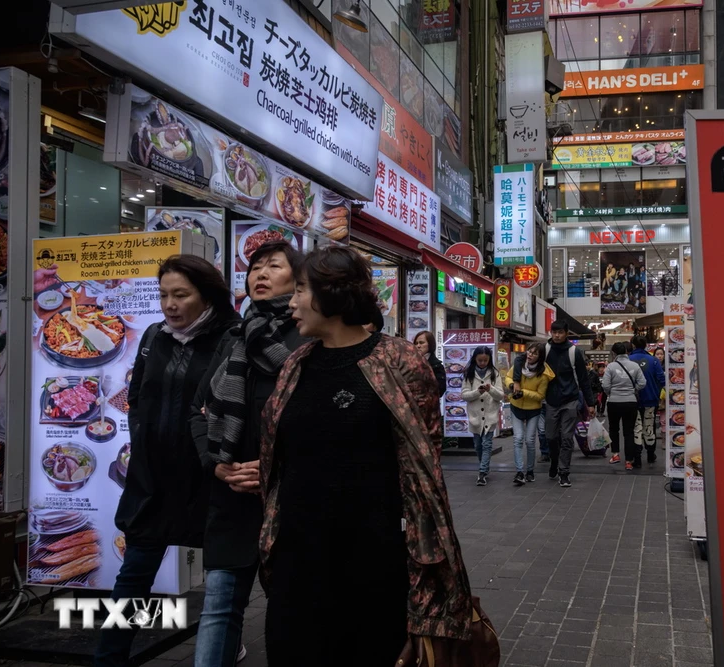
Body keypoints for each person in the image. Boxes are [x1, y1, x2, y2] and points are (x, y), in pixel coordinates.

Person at [258, 245, 475, 665]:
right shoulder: (295, 364)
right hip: (298, 559)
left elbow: (424, 478)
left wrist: (426, 599)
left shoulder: (399, 361)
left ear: (333, 296)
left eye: (301, 289)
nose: (293, 301)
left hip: (374, 562)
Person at [96, 257, 239, 667]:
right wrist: (142, 443)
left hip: (207, 479)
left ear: (206, 295)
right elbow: (137, 395)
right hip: (153, 480)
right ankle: (110, 659)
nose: (170, 304)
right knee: (134, 577)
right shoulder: (154, 336)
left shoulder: (231, 337)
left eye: (181, 294)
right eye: (164, 295)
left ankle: (223, 651)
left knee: (221, 584)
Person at [189, 241, 304, 667]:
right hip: (232, 494)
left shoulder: (307, 337)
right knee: (219, 605)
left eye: (274, 266)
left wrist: (275, 467)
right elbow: (197, 412)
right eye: (255, 266)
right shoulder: (233, 338)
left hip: (289, 499)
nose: (261, 273)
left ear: (297, 280)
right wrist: (217, 466)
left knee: (290, 610)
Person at [518, 320, 594, 487]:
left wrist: (590, 403)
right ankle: (554, 461)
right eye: (554, 332)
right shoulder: (544, 350)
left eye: (560, 332)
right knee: (550, 436)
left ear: (566, 333)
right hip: (550, 401)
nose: (557, 335)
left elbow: (583, 379)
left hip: (570, 400)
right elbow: (524, 360)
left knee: (566, 438)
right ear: (550, 332)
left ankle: (564, 471)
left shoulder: (575, 352)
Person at [505, 343, 553, 486]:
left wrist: (523, 392)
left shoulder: (543, 374)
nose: (530, 355)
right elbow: (508, 377)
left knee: (530, 441)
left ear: (540, 357)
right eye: (529, 352)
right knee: (518, 438)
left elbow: (540, 396)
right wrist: (513, 385)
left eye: (534, 353)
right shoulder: (520, 364)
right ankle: (520, 472)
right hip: (516, 407)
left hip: (533, 410)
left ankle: (530, 471)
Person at [461, 346, 505, 486]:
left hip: (490, 415)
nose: (482, 363)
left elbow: (500, 395)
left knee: (487, 444)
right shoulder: (469, 373)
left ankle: (482, 472)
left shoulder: (494, 373)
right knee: (478, 445)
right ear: (475, 358)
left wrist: (490, 389)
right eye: (480, 360)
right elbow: (464, 395)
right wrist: (477, 392)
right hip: (475, 417)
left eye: (485, 360)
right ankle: (484, 467)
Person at [603, 342, 646, 470]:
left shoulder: (610, 367)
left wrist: (611, 392)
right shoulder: (635, 366)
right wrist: (633, 390)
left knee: (614, 429)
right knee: (628, 432)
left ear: (614, 353)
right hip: (630, 402)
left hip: (614, 403)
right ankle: (628, 461)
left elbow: (605, 385)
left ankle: (615, 454)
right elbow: (642, 383)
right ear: (627, 352)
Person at [630, 336, 666, 466]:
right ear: (645, 345)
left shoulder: (628, 360)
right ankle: (651, 454)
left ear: (633, 345)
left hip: (633, 400)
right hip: (651, 399)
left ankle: (637, 457)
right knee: (649, 426)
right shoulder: (654, 361)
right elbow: (662, 379)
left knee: (636, 427)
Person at [414, 330, 446, 398]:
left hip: (429, 404)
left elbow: (440, 390)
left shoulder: (437, 366)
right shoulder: (410, 362)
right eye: (416, 343)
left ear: (430, 344)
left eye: (421, 343)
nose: (418, 346)